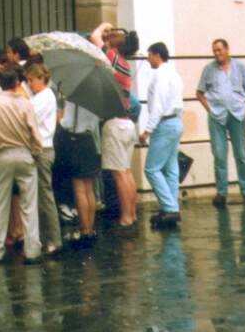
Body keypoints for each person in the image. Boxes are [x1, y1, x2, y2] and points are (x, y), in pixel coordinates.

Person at [0, 68, 42, 265]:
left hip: (1, 153)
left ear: (0, 84)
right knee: (28, 204)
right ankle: (32, 249)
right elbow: (34, 131)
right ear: (17, 83)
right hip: (24, 152)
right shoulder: (25, 103)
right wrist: (36, 151)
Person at [196, 38, 245, 207]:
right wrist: (210, 109)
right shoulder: (208, 69)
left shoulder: (241, 67)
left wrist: (244, 106)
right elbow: (199, 92)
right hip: (217, 117)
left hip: (237, 115)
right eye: (214, 50)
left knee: (241, 154)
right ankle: (221, 192)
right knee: (220, 155)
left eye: (219, 50)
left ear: (227, 49)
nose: (217, 53)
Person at [93, 23, 139, 229]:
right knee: (126, 172)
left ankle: (126, 217)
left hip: (115, 124)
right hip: (127, 124)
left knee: (119, 173)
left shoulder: (112, 57)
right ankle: (132, 213)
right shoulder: (124, 65)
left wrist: (104, 26)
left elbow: (95, 37)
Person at [140, 42, 184, 229]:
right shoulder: (173, 74)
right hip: (175, 122)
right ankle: (170, 207)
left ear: (157, 55)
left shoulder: (159, 75)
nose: (148, 59)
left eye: (149, 55)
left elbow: (157, 106)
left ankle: (170, 207)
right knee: (170, 169)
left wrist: (148, 130)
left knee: (151, 169)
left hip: (164, 124)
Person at [25, 60, 63, 256]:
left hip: (42, 149)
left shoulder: (44, 97)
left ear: (41, 79)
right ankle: (48, 237)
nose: (29, 84)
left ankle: (53, 239)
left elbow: (29, 118)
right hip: (42, 148)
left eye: (31, 80)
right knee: (42, 194)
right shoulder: (42, 96)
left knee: (44, 195)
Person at [56, 97, 100, 248]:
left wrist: (60, 119)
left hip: (75, 141)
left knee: (79, 189)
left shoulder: (73, 98)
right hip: (89, 141)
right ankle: (91, 228)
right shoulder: (95, 98)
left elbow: (66, 123)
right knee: (89, 188)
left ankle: (85, 230)